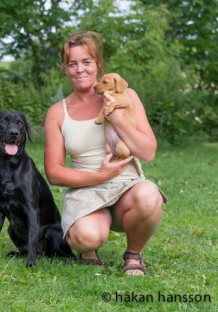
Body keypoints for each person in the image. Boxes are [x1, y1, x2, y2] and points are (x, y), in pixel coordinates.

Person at [43, 31, 167, 276]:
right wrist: (100, 176)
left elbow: (148, 152)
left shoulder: (127, 97)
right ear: (65, 69)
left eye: (86, 62)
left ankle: (133, 255)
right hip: (86, 190)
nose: (80, 69)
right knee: (87, 237)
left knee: (150, 195)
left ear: (98, 65)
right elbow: (54, 173)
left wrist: (115, 115)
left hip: (127, 187)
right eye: (72, 63)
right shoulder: (58, 112)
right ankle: (88, 246)